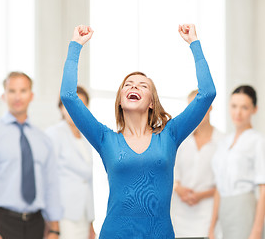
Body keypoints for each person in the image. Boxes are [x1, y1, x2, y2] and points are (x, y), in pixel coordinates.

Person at [60, 24, 216, 238]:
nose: (133, 87)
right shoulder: (105, 139)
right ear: (120, 101)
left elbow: (207, 94)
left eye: (142, 85)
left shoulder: (170, 136)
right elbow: (68, 96)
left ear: (152, 102)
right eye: (128, 84)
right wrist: (75, 45)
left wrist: (194, 44)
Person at [0, 72, 62, 239]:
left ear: (31, 95)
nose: (18, 96)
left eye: (23, 90)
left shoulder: (43, 139)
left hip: (36, 225)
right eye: (12, 91)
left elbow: (51, 184)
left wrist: (54, 228)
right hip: (1, 223)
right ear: (3, 96)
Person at [209, 85, 265, 239]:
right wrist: (212, 227)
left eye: (244, 107)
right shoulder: (223, 143)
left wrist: (257, 231)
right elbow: (218, 188)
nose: (237, 113)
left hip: (244, 208)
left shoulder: (258, 141)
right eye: (234, 106)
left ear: (254, 109)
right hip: (224, 210)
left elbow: (263, 189)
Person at [171, 89, 223, 237]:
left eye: (201, 106)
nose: (197, 112)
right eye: (192, 107)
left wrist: (202, 195)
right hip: (179, 219)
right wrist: (179, 189)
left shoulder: (223, 141)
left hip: (207, 219)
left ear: (210, 107)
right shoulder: (180, 140)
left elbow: (224, 183)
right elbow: (170, 173)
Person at [46, 86, 96, 239]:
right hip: (63, 214)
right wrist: (53, 223)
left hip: (83, 214)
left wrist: (90, 222)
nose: (75, 109)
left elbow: (87, 181)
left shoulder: (86, 137)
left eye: (81, 104)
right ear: (61, 107)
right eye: (70, 104)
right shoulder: (53, 134)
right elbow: (48, 179)